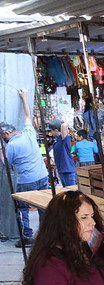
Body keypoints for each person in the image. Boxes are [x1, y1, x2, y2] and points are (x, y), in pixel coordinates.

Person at [0, 88, 50, 248]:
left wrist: (1, 150)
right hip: (42, 176)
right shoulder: (29, 132)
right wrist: (24, 96)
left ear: (6, 134)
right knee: (43, 206)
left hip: (26, 180)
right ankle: (45, 235)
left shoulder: (11, 146)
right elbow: (28, 115)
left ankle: (27, 236)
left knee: (23, 208)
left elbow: (7, 164)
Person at [48, 120, 77, 187]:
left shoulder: (64, 139)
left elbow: (64, 125)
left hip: (68, 170)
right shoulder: (57, 140)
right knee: (66, 190)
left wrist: (64, 121)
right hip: (61, 170)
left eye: (51, 130)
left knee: (71, 190)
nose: (50, 132)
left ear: (56, 130)